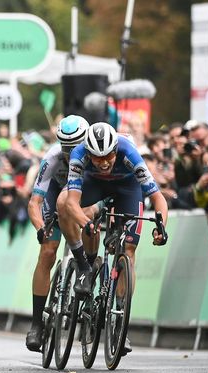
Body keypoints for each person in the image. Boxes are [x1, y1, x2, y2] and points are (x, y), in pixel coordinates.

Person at [60, 122, 169, 355]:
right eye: (97, 158)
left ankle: (121, 318)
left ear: (115, 150)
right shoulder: (79, 155)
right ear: (88, 153)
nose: (104, 162)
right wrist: (85, 223)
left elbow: (158, 198)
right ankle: (87, 266)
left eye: (108, 155)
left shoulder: (129, 152)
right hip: (95, 184)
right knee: (70, 208)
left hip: (127, 188)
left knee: (128, 252)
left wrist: (161, 227)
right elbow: (72, 202)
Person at [25, 115, 90, 351]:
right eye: (66, 147)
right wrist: (41, 227)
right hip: (56, 193)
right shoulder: (52, 157)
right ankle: (36, 323)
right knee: (48, 252)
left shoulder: (94, 154)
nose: (71, 152)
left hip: (83, 195)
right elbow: (34, 202)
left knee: (89, 226)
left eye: (76, 147)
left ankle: (88, 271)